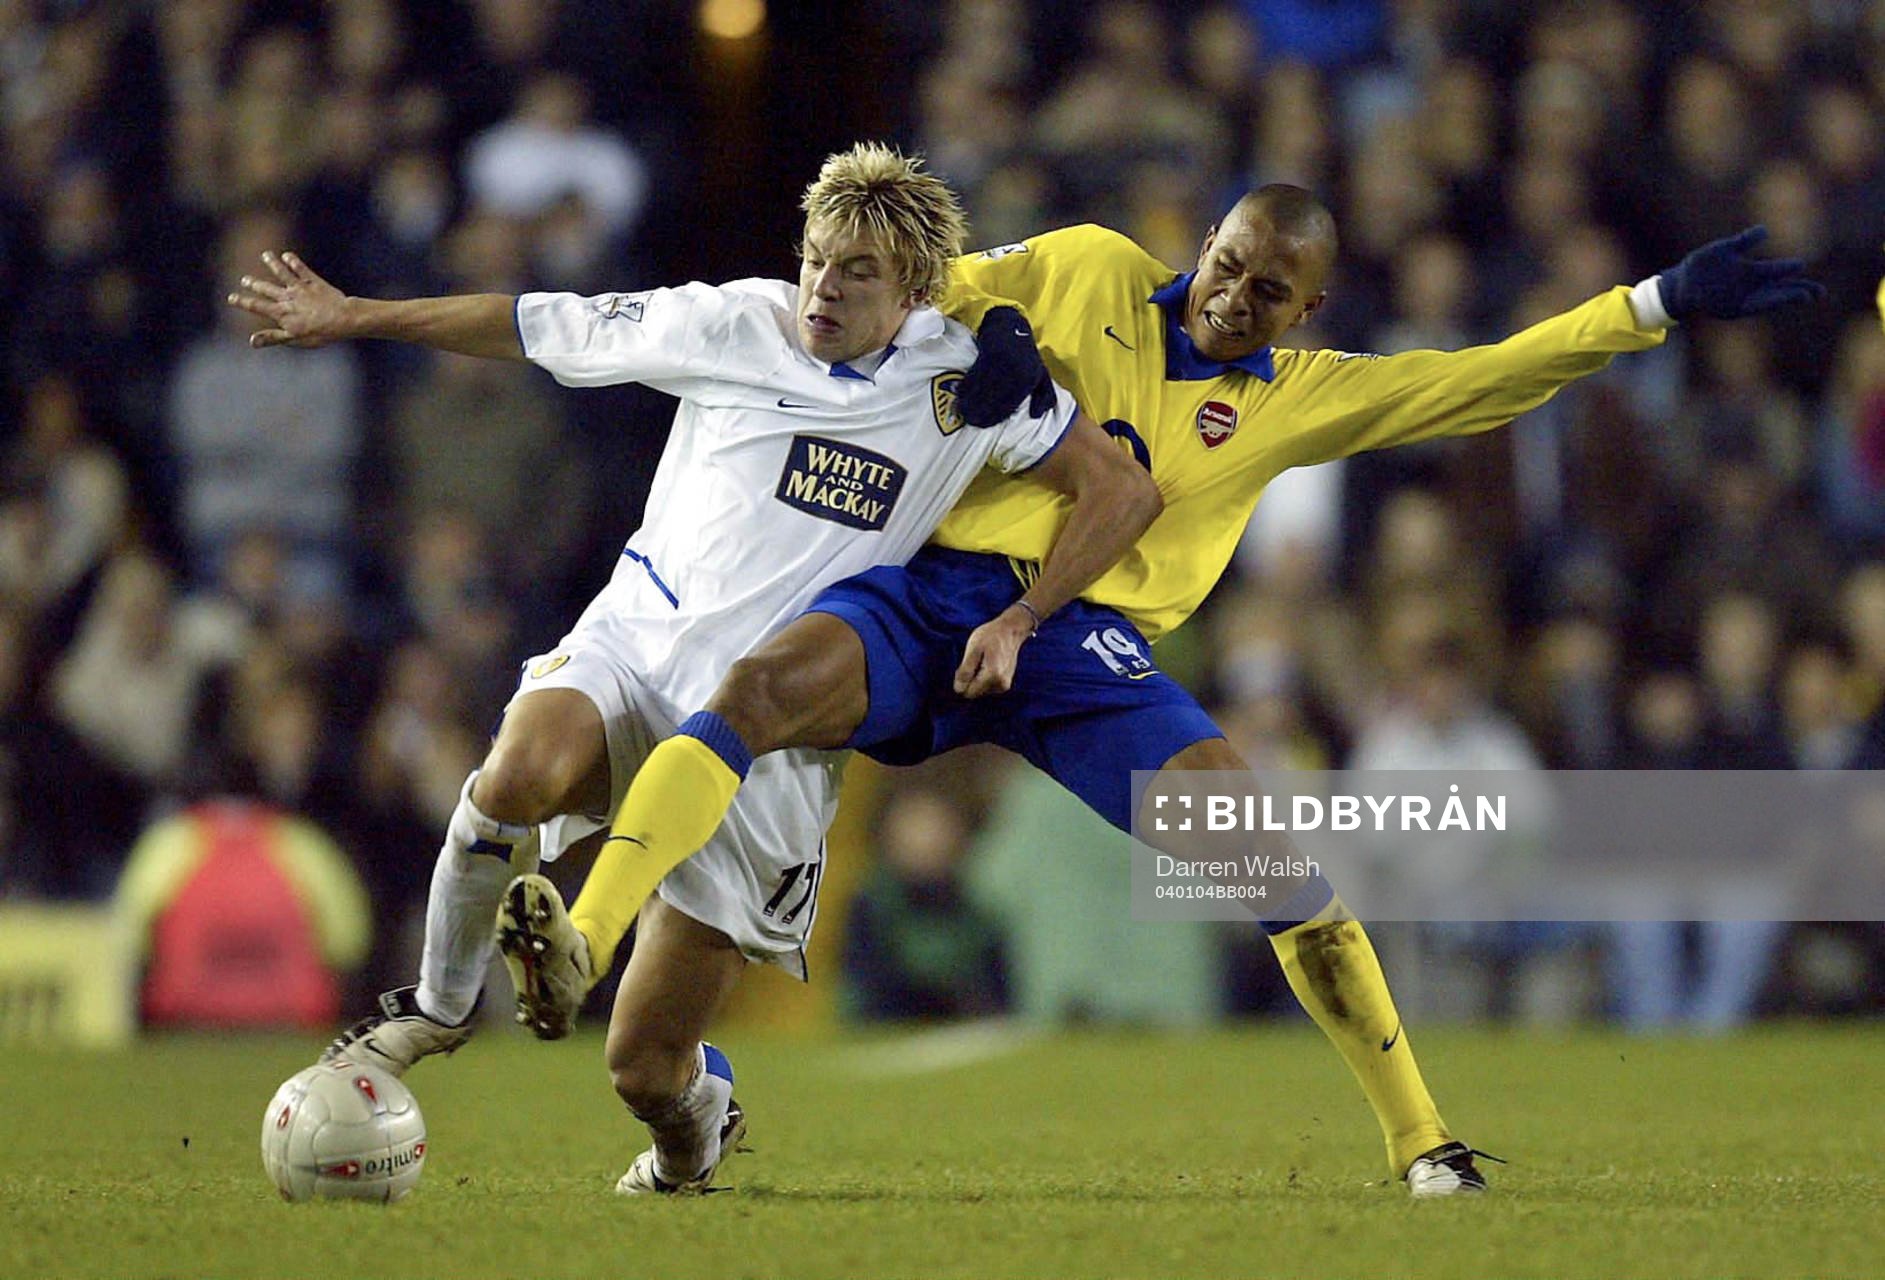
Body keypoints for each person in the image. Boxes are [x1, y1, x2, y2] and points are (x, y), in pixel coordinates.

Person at [500, 189, 1823, 1197]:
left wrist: (1647, 304)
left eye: (1270, 290)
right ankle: (588, 929)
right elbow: (931, 281)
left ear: (1306, 314)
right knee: (757, 686)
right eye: (1232, 261)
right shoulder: (1090, 265)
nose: (1236, 295)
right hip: (932, 587)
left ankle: (1424, 1142)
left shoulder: (1297, 399)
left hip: (1082, 643)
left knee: (1271, 865)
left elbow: (1485, 378)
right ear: (1212, 238)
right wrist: (1007, 328)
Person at [223, 143, 1162, 1195]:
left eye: (855, 271)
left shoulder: (966, 382)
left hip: (766, 742)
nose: (822, 287)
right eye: (815, 259)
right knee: (514, 777)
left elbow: (1124, 493)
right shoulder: (730, 322)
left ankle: (693, 1124)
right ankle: (434, 1012)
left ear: (911, 286)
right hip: (634, 651)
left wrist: (1028, 615)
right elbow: (537, 324)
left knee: (640, 1063)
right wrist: (357, 314)